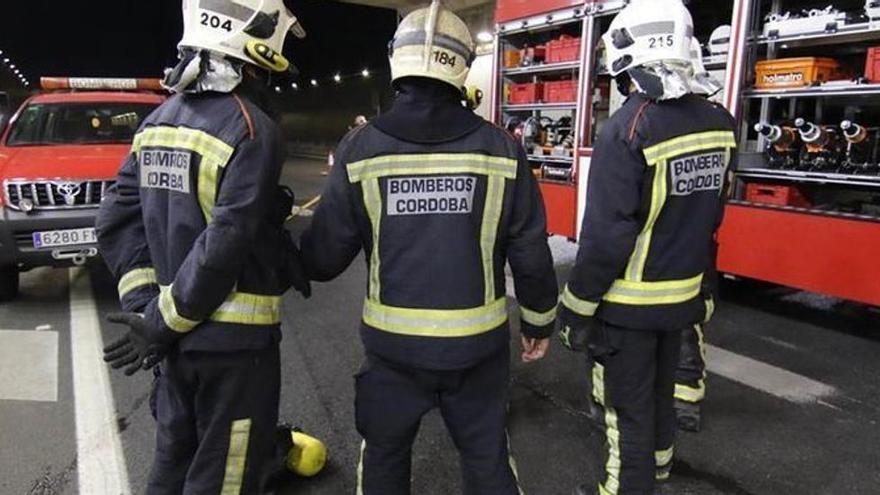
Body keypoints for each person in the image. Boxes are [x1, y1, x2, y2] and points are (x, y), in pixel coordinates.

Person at [299, 2, 559, 494]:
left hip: (392, 352)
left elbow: (325, 257)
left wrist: (284, 256)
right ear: (460, 66)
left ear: (398, 61)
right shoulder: (502, 149)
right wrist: (539, 322)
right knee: (487, 461)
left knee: (384, 459)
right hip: (478, 351)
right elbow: (530, 249)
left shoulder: (360, 149)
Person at [96, 1, 315, 493]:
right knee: (226, 476)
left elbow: (115, 218)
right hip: (235, 352)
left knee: (172, 462)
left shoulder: (158, 121)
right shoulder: (252, 127)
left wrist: (146, 308)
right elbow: (224, 241)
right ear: (250, 46)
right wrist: (160, 320)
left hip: (176, 348)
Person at [555, 1, 737, 493]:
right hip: (681, 301)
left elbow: (607, 238)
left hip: (629, 309)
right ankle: (659, 472)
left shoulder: (628, 128)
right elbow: (712, 219)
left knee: (626, 413)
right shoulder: (721, 122)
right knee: (660, 397)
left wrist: (575, 309)